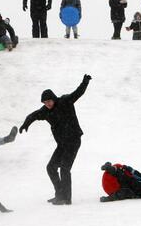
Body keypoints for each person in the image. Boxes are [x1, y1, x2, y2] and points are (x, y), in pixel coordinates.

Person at [19, 74, 91, 205]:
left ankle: (66, 198)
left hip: (73, 141)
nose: (47, 104)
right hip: (62, 144)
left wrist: (85, 82)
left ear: (53, 98)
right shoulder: (45, 111)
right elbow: (34, 115)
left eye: (49, 101)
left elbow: (78, 93)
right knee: (51, 167)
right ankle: (59, 194)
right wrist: (25, 124)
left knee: (64, 168)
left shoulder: (65, 101)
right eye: (45, 103)